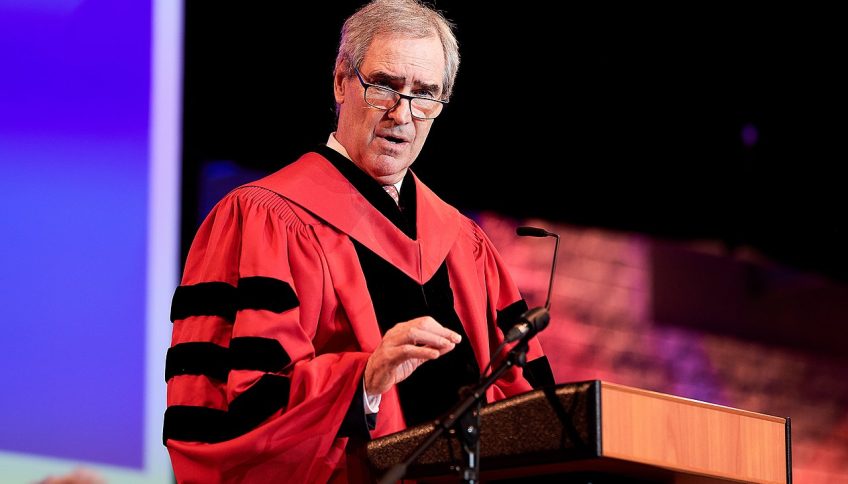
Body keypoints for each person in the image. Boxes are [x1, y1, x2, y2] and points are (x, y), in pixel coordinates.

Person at [163, 0, 554, 482]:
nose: (402, 115)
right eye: (384, 86)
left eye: (425, 94)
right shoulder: (262, 218)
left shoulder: (465, 246)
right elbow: (233, 405)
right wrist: (364, 380)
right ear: (340, 83)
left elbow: (526, 407)